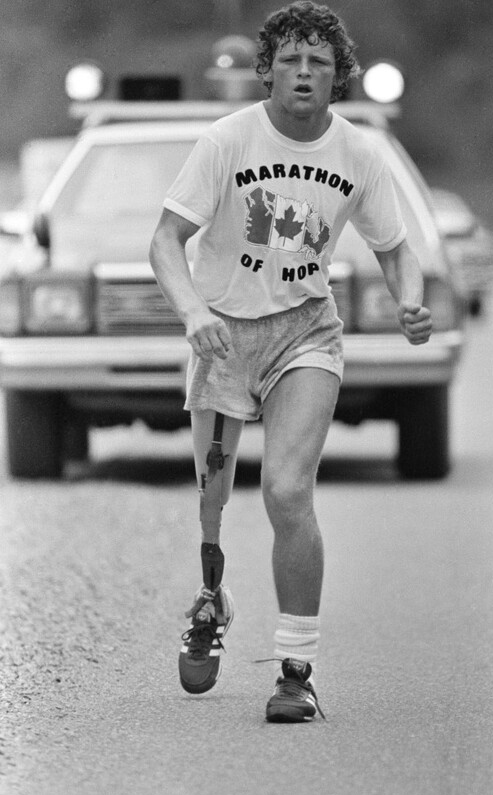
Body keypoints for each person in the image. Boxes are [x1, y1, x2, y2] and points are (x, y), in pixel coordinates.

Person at [149, 0, 432, 723]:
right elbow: (165, 240)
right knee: (212, 498)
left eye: (320, 62)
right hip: (220, 335)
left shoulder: (358, 152)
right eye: (292, 59)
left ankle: (295, 670)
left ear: (337, 77)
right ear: (267, 69)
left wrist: (407, 300)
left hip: (304, 333)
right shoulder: (225, 140)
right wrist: (193, 313)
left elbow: (395, 245)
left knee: (285, 491)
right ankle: (212, 594)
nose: (304, 72)